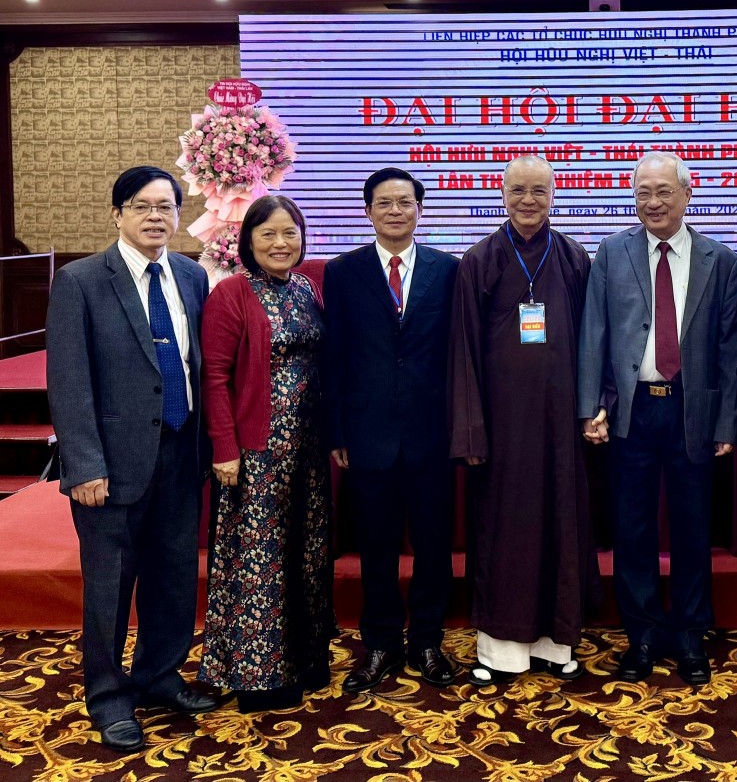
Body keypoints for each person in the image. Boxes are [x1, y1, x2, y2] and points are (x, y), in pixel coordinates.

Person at [45, 166, 216, 752]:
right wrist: (84, 464)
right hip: (111, 463)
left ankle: (159, 675)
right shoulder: (81, 280)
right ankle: (108, 695)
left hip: (180, 448)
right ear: (117, 213)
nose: (155, 217)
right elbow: (68, 380)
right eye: (141, 206)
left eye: (165, 207)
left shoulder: (193, 276)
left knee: (172, 577)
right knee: (110, 585)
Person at [578, 150, 737, 687]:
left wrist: (726, 423)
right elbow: (594, 335)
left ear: (687, 194)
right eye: (643, 192)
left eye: (664, 191)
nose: (653, 202)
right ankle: (643, 635)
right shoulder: (612, 251)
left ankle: (691, 636)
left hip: (691, 409)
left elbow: (728, 349)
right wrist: (590, 407)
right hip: (631, 410)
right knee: (632, 528)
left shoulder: (720, 260)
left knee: (694, 527)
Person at [448, 155, 596, 685]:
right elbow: (462, 349)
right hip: (503, 426)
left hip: (560, 423)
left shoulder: (575, 257)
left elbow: (593, 340)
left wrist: (593, 406)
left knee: (560, 521)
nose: (529, 201)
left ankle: (556, 644)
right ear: (502, 193)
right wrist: (470, 428)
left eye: (540, 191)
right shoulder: (480, 260)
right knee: (505, 527)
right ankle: (501, 648)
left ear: (554, 195)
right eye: (519, 191)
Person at [324, 168, 460, 693]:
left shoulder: (449, 270)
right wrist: (337, 429)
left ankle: (427, 640)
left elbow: (458, 354)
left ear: (420, 209)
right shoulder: (343, 272)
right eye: (385, 203)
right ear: (368, 211)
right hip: (367, 431)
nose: (396, 211)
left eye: (405, 202)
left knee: (432, 545)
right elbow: (335, 356)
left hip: (433, 432)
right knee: (376, 545)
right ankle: (380, 643)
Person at [199, 194, 333, 712]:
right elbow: (214, 376)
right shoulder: (232, 294)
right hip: (257, 449)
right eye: (268, 235)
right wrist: (225, 448)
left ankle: (305, 656)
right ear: (248, 241)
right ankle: (259, 676)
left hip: (308, 448)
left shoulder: (306, 288)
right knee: (260, 560)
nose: (281, 244)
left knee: (307, 552)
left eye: (290, 233)